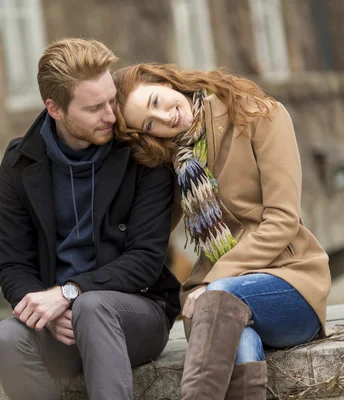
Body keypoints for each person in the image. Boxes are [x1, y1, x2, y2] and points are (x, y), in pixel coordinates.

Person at [112, 63, 332, 399]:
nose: (164, 118)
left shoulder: (259, 115)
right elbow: (147, 236)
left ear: (168, 82)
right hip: (213, 301)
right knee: (241, 344)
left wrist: (218, 280)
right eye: (149, 124)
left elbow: (283, 220)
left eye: (156, 101)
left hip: (290, 283)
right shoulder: (175, 163)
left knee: (219, 299)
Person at [0, 39, 181, 400]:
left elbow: (145, 260)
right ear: (55, 108)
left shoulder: (142, 152)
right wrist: (46, 308)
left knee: (92, 307)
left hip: (135, 311)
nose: (111, 115)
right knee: (3, 337)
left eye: (111, 100)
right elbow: (13, 264)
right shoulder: (20, 163)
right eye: (94, 108)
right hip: (60, 325)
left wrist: (69, 294)